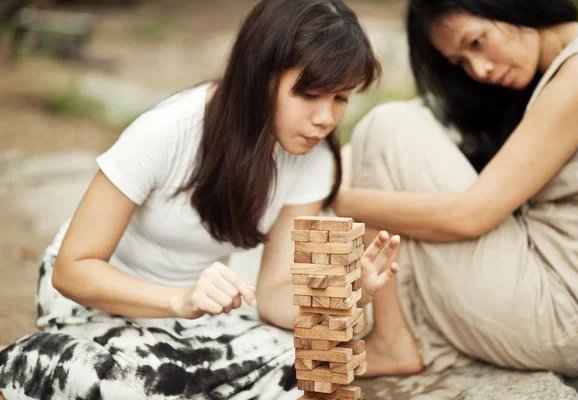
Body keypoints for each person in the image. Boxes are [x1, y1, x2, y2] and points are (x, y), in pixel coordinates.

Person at [0, 1, 400, 399]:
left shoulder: (315, 159)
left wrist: (341, 301)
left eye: (341, 98)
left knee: (306, 368)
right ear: (259, 76)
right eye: (310, 94)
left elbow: (274, 295)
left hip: (202, 319)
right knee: (141, 384)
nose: (326, 118)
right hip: (100, 304)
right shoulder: (167, 131)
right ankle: (26, 361)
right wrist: (179, 300)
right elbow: (72, 270)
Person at [334, 0, 578, 379]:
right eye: (461, 62)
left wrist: (336, 198)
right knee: (393, 129)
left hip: (564, 310)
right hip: (554, 300)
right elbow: (438, 116)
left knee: (386, 125)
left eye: (476, 42)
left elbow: (470, 215)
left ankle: (393, 341)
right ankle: (401, 337)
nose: (480, 70)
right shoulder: (556, 71)